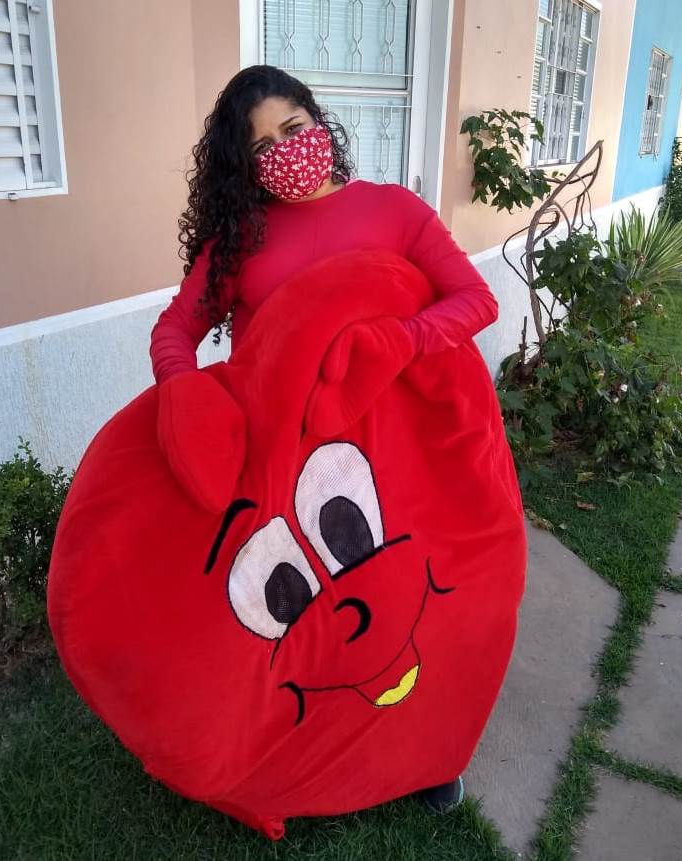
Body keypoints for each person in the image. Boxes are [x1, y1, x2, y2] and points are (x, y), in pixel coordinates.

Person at [149, 64, 499, 814]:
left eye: (293, 128)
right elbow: (175, 330)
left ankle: (426, 754)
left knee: (420, 602)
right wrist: (187, 399)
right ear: (244, 167)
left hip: (398, 457)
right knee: (308, 626)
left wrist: (403, 340)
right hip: (289, 463)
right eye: (261, 146)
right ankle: (301, 763)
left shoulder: (393, 210)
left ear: (319, 120)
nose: (284, 149)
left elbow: (475, 299)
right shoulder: (241, 240)